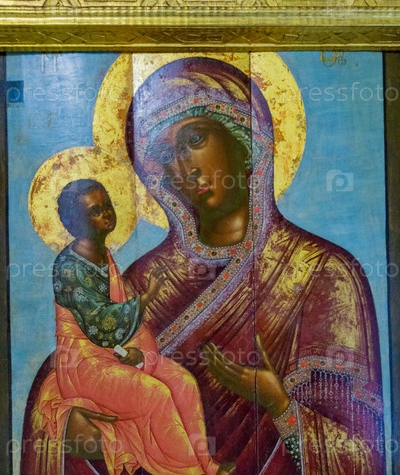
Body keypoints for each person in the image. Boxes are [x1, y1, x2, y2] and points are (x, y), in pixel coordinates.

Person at [22, 56, 385, 474]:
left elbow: (362, 450)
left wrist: (279, 403)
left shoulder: (322, 272)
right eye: (166, 153)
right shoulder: (145, 278)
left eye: (195, 139)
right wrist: (62, 422)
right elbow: (80, 363)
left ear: (244, 140)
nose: (184, 166)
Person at [34, 178, 235, 475]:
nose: (106, 213)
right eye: (95, 211)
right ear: (75, 222)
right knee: (155, 394)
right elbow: (100, 324)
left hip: (114, 355)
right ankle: (191, 471)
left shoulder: (105, 255)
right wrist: (145, 300)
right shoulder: (70, 266)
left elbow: (126, 324)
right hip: (84, 366)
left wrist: (140, 356)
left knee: (183, 382)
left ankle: (207, 464)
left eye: (107, 205)